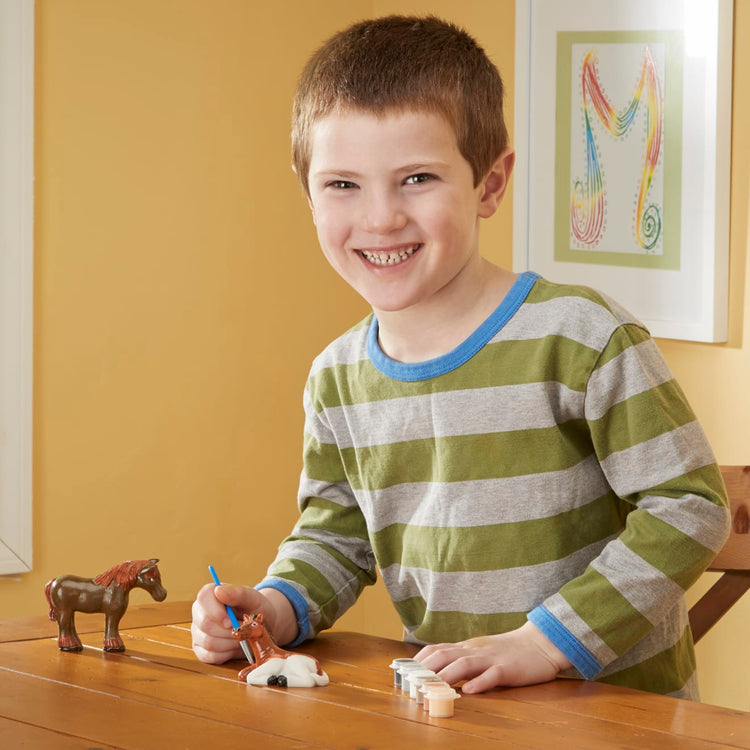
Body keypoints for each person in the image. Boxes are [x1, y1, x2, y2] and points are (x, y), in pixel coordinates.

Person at [191, 15, 730, 698]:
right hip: (456, 708)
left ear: (490, 185)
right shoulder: (336, 378)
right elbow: (337, 535)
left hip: (616, 717)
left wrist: (545, 643)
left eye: (416, 178)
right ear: (308, 196)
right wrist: (274, 607)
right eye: (342, 185)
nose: (381, 218)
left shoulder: (581, 336)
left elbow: (690, 506)